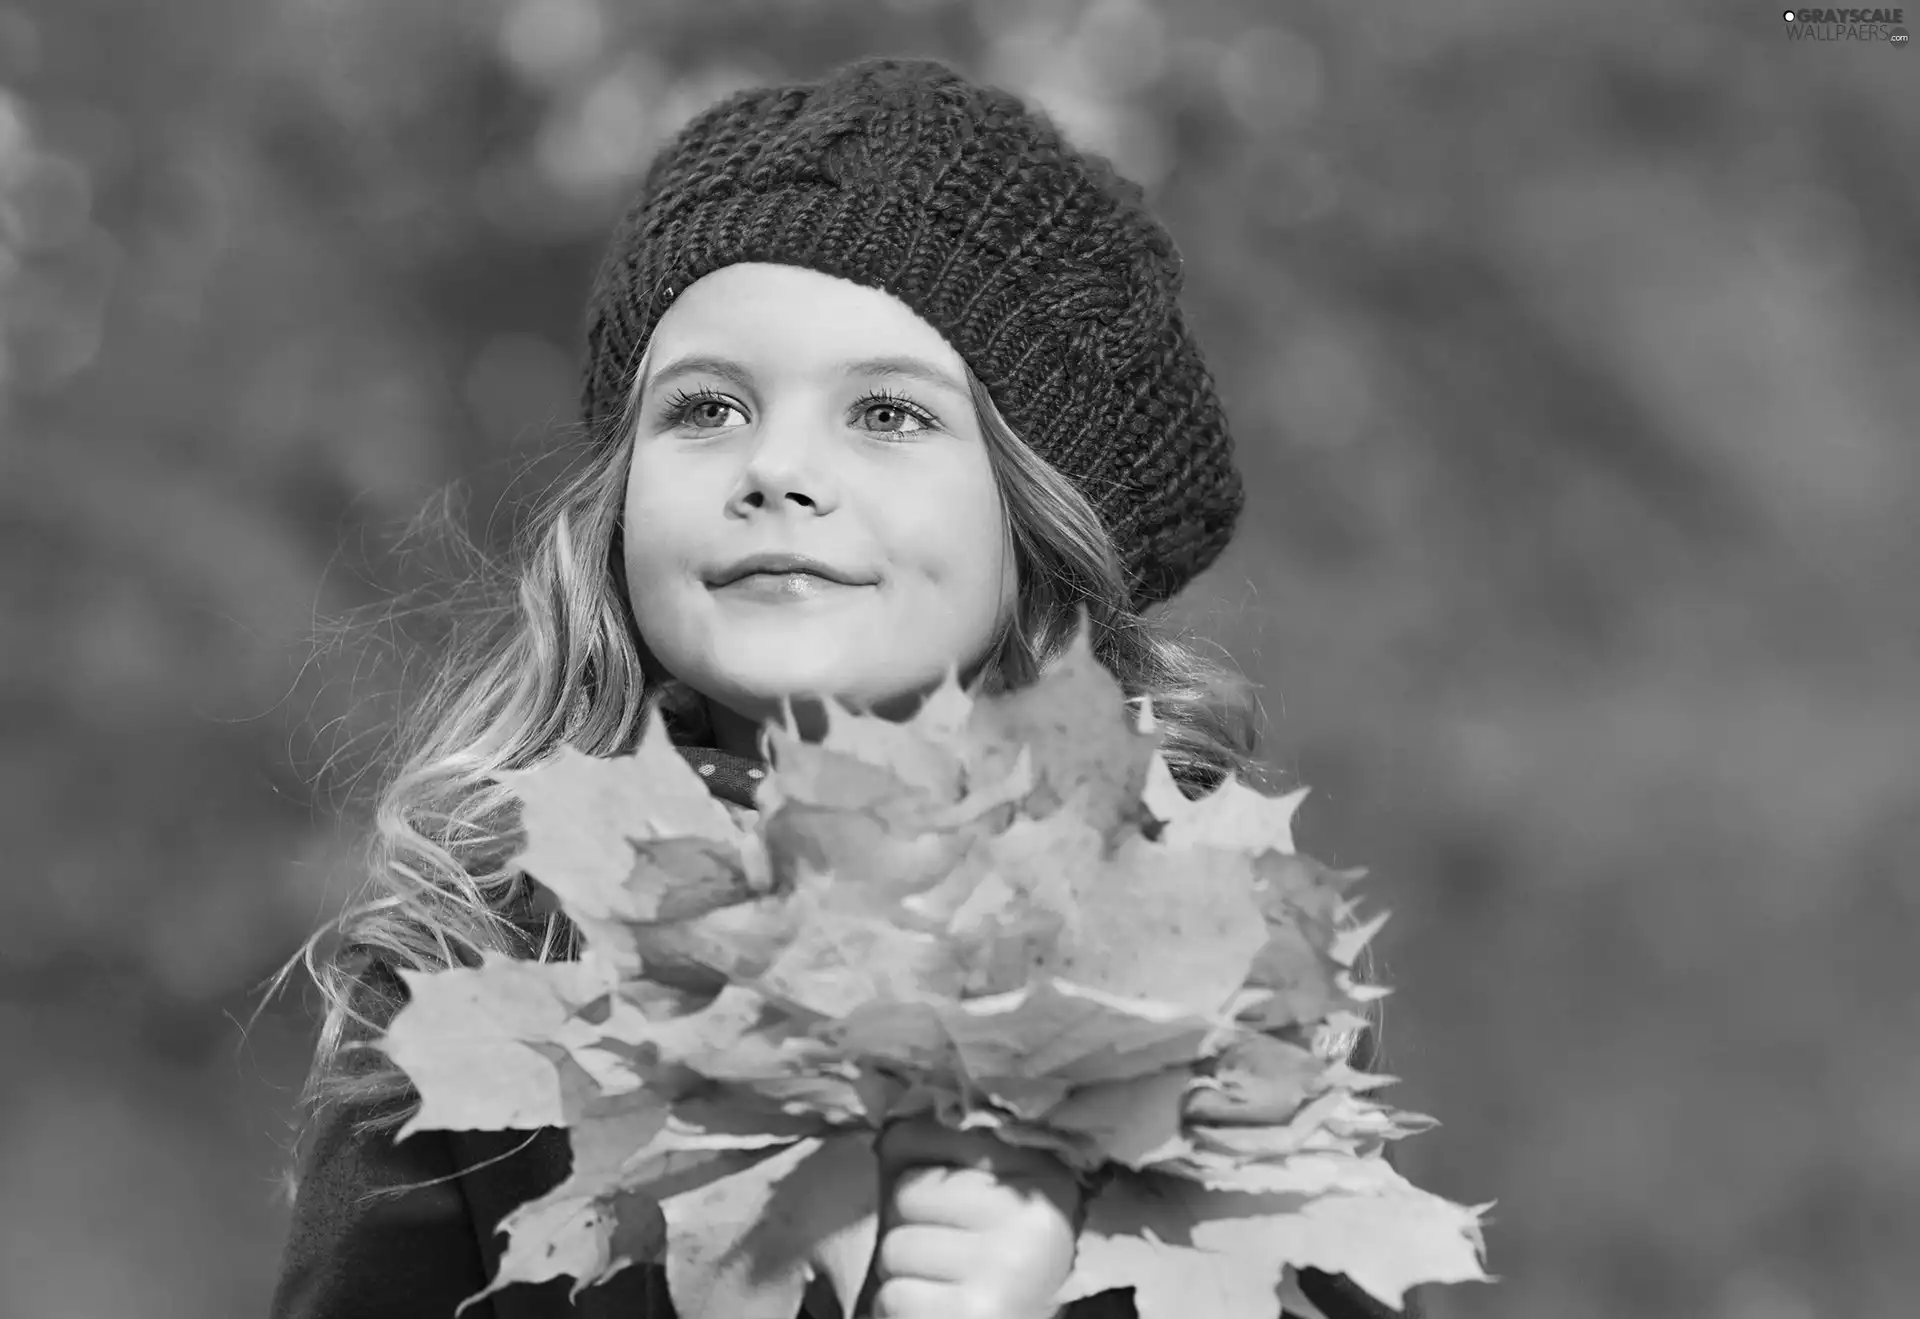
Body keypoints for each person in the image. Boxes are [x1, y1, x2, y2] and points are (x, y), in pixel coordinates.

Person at [268, 55, 1421, 1319]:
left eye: (886, 414)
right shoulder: (481, 964)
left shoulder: (1209, 988)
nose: (775, 468)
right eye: (704, 407)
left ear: (1036, 519)